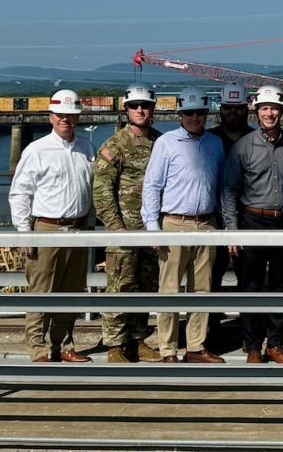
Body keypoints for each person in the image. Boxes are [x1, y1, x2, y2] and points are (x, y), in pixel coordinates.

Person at [9, 89, 96, 363]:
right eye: (61, 115)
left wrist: (90, 228)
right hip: (46, 228)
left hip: (78, 229)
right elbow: (20, 193)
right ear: (51, 117)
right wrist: (24, 233)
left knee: (71, 291)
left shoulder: (86, 148)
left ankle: (64, 344)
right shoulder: (36, 150)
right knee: (41, 290)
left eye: (71, 115)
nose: (66, 120)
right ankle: (37, 348)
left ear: (77, 118)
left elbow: (90, 191)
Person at [141, 86, 225, 364]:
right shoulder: (166, 142)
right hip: (174, 223)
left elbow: (222, 186)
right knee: (170, 290)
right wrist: (152, 226)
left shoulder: (215, 143)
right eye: (189, 113)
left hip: (207, 224)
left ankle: (195, 346)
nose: (195, 118)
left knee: (202, 291)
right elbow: (152, 185)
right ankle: (168, 349)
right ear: (180, 115)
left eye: (200, 113)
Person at [221, 85, 283, 364]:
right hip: (252, 220)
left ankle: (275, 344)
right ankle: (252, 345)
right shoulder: (243, 147)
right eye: (264, 109)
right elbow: (229, 191)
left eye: (274, 109)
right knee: (249, 286)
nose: (269, 113)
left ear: (282, 112)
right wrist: (232, 231)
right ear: (257, 111)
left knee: (281, 286)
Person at [93, 83, 162, 363]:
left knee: (146, 287)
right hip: (123, 232)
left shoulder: (160, 142)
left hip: (150, 232)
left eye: (145, 106)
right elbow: (101, 190)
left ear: (152, 109)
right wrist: (116, 227)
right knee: (120, 288)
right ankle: (114, 345)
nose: (140, 110)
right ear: (127, 110)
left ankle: (137, 339)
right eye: (135, 106)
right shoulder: (115, 145)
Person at [207, 82, 254, 345]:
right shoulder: (208, 140)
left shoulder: (254, 139)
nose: (232, 113)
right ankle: (208, 336)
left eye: (237, 108)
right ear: (220, 110)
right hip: (212, 222)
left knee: (249, 282)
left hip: (246, 222)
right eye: (227, 108)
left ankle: (250, 338)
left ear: (246, 109)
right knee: (209, 282)